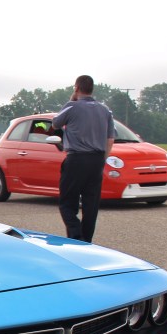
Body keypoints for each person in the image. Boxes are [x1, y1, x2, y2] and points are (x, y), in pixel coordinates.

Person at [51, 75, 116, 243]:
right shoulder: (105, 110)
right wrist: (103, 159)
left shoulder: (72, 106)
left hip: (76, 159)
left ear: (76, 88)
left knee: (67, 202)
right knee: (91, 204)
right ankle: (86, 241)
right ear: (92, 89)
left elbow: (55, 124)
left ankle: (75, 235)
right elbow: (110, 140)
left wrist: (72, 100)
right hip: (97, 160)